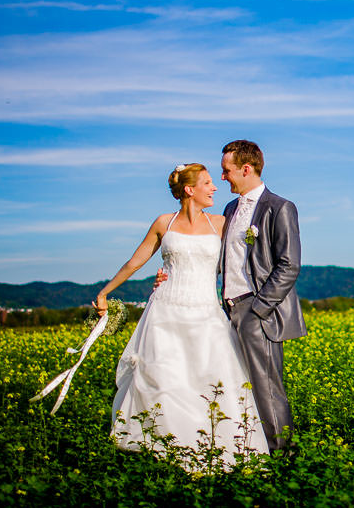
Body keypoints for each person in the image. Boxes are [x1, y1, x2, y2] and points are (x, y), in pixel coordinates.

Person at [95, 163, 268, 467]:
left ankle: (219, 450)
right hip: (165, 311)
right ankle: (166, 451)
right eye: (208, 183)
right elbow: (136, 261)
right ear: (190, 190)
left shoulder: (221, 224)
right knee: (164, 380)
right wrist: (104, 292)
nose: (214, 187)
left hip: (206, 312)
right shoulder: (164, 222)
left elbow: (239, 263)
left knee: (211, 379)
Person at [216, 139, 307, 455]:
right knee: (238, 385)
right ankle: (249, 451)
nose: (223, 177)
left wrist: (258, 309)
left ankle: (282, 456)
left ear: (246, 168)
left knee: (268, 389)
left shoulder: (280, 207)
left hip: (257, 310)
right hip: (228, 311)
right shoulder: (230, 209)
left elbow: (289, 264)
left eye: (226, 171)